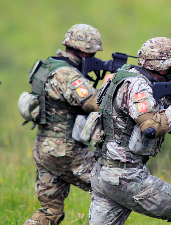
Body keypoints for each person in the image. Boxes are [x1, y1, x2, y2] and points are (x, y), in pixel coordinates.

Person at [88, 37, 171, 225]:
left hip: (105, 174)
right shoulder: (138, 86)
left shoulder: (127, 76)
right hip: (127, 178)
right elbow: (152, 128)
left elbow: (168, 125)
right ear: (162, 67)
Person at [22, 24, 104, 225]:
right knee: (110, 189)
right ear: (85, 51)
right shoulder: (68, 75)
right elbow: (94, 104)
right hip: (66, 150)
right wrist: (108, 83)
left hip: (44, 149)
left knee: (50, 212)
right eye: (92, 53)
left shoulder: (47, 66)